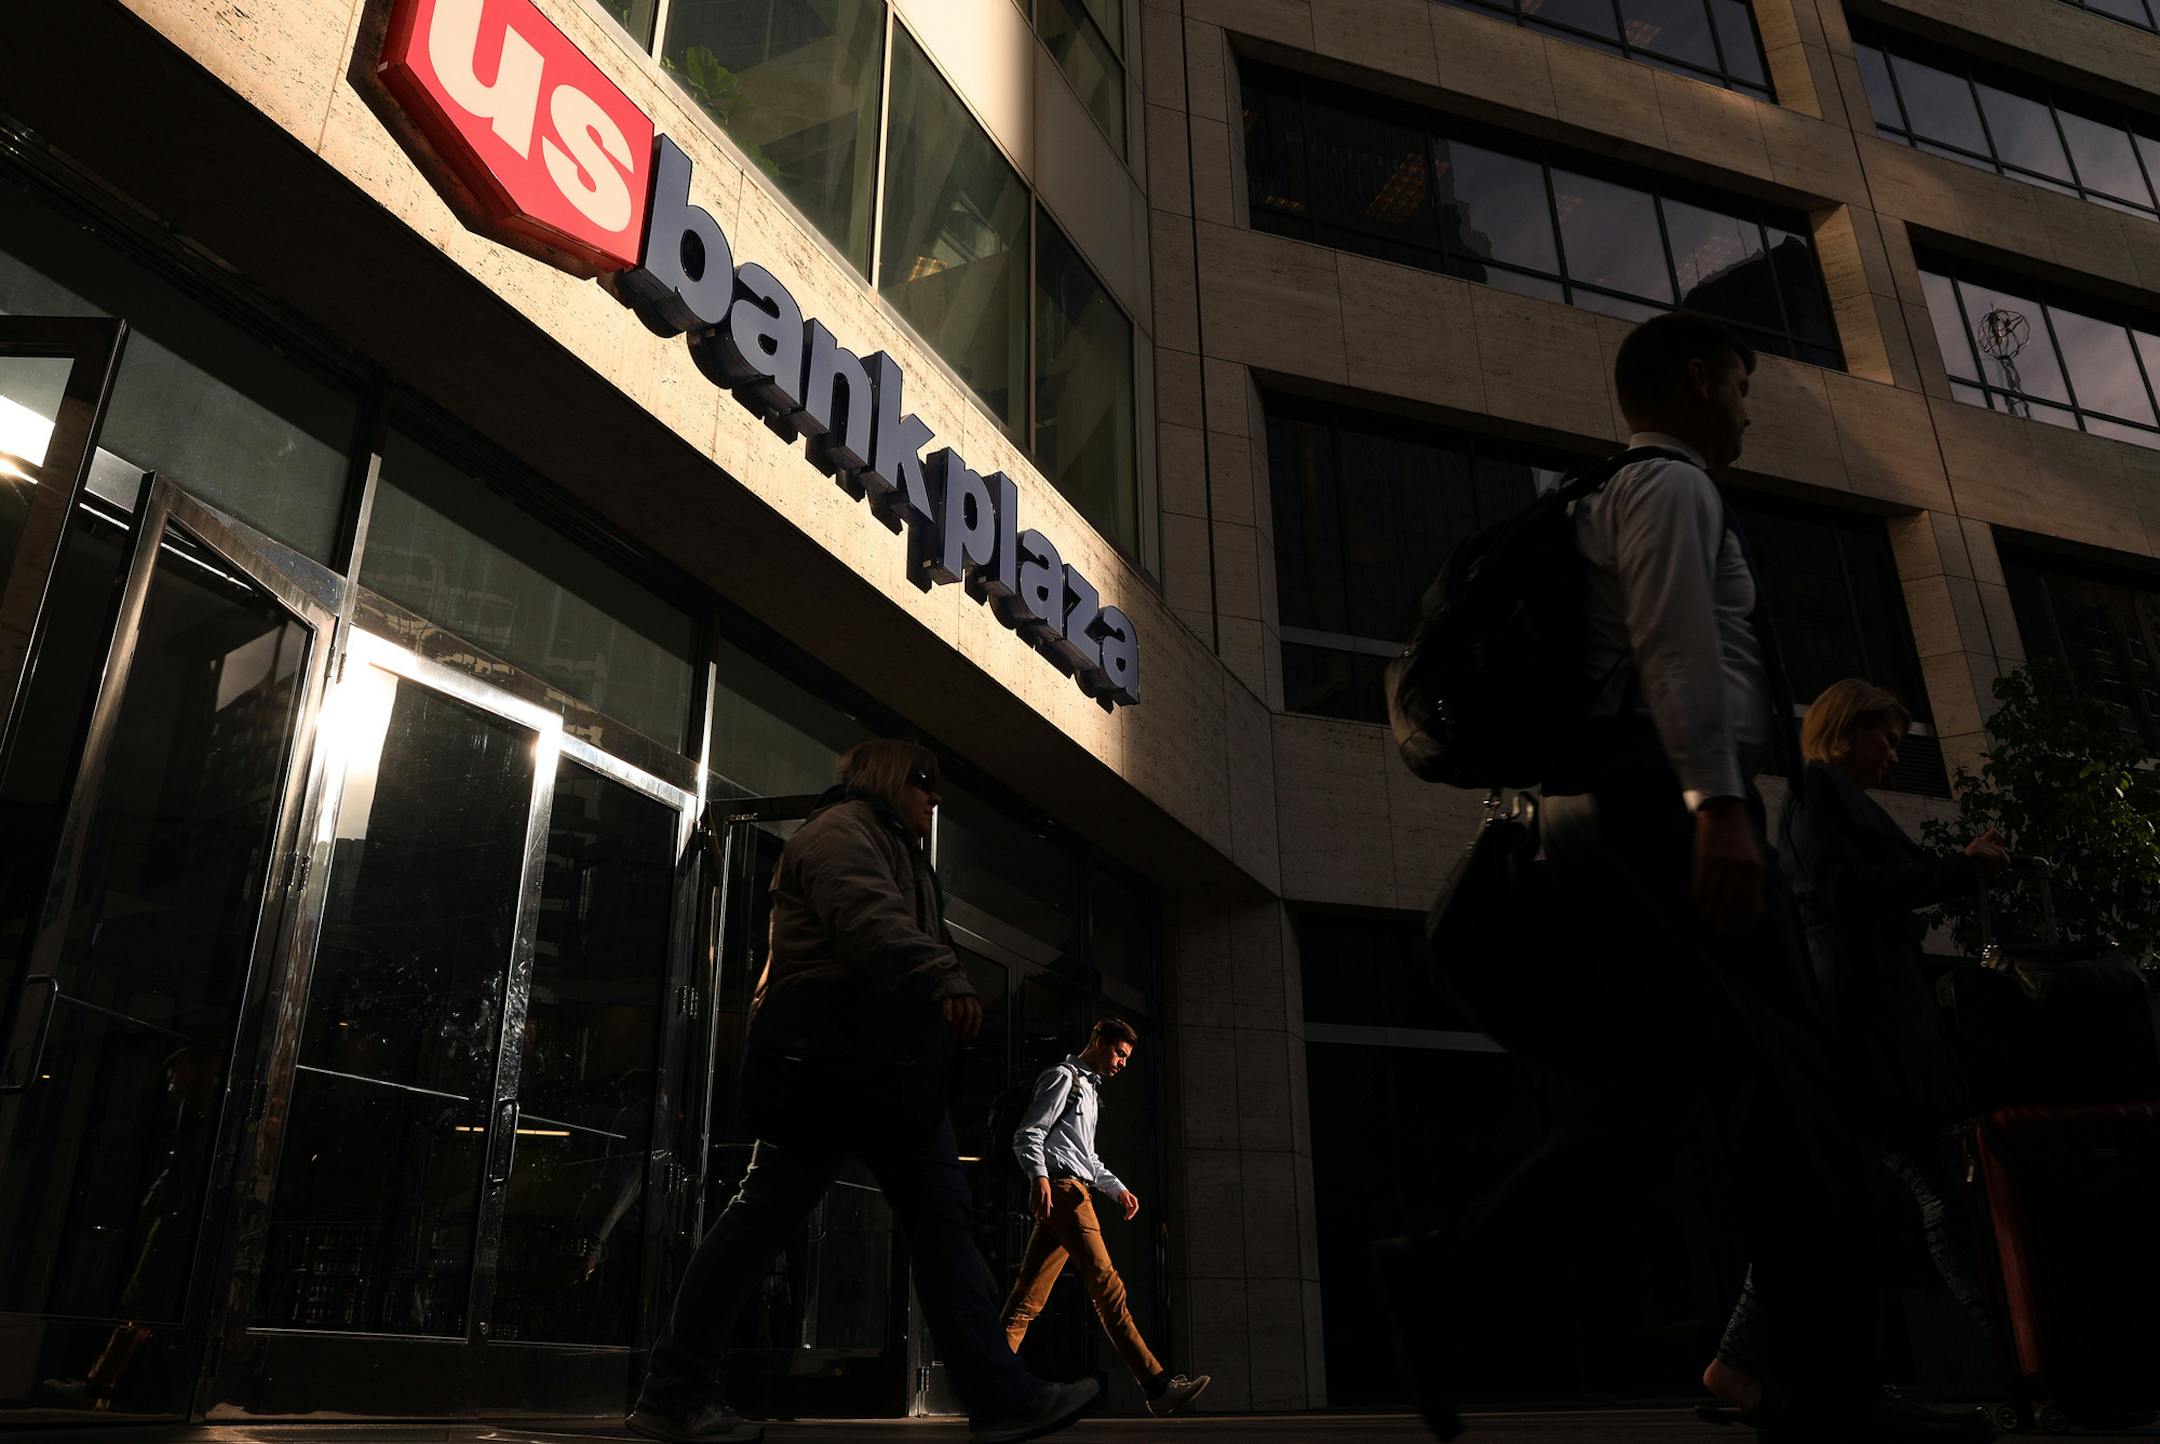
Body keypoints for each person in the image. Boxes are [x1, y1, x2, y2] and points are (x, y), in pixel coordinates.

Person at [1376, 313, 1982, 1442]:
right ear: (1700, 381)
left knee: (1657, 1102)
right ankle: (1830, 1400)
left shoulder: (1597, 496)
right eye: (1743, 385)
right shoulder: (1670, 487)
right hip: (1661, 813)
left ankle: (1448, 1275)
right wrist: (1721, 809)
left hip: (1607, 820)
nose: (1749, 408)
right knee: (1800, 1101)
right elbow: (1678, 645)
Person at [627, 739, 1097, 1444]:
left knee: (923, 1222)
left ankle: (1002, 1399)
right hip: (841, 1065)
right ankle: (673, 1395)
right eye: (923, 780)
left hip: (878, 1069)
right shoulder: (841, 833)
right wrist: (942, 974)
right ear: (886, 775)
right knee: (798, 1221)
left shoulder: (886, 841)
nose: (934, 796)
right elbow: (866, 917)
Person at [1702, 679, 2006, 1420]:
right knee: (1937, 1191)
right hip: (1868, 1030)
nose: (1895, 756)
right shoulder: (1819, 792)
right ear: (1847, 728)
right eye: (1887, 739)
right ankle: (2023, 1358)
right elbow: (1841, 890)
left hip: (1868, 1028)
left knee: (1847, 1202)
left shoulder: (1829, 797)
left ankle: (1737, 1363)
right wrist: (1960, 869)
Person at [999, 1017, 1210, 1417]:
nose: (1122, 1063)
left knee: (1027, 1299)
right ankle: (1156, 1386)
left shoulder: (1090, 1092)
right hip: (1066, 1192)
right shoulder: (1063, 1077)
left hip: (1073, 1189)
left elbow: (1088, 1157)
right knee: (1108, 1288)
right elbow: (1029, 1133)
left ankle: (990, 1386)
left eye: (1126, 1058)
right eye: (1119, 1053)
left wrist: (1118, 1189)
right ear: (1098, 1040)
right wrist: (1038, 1177)